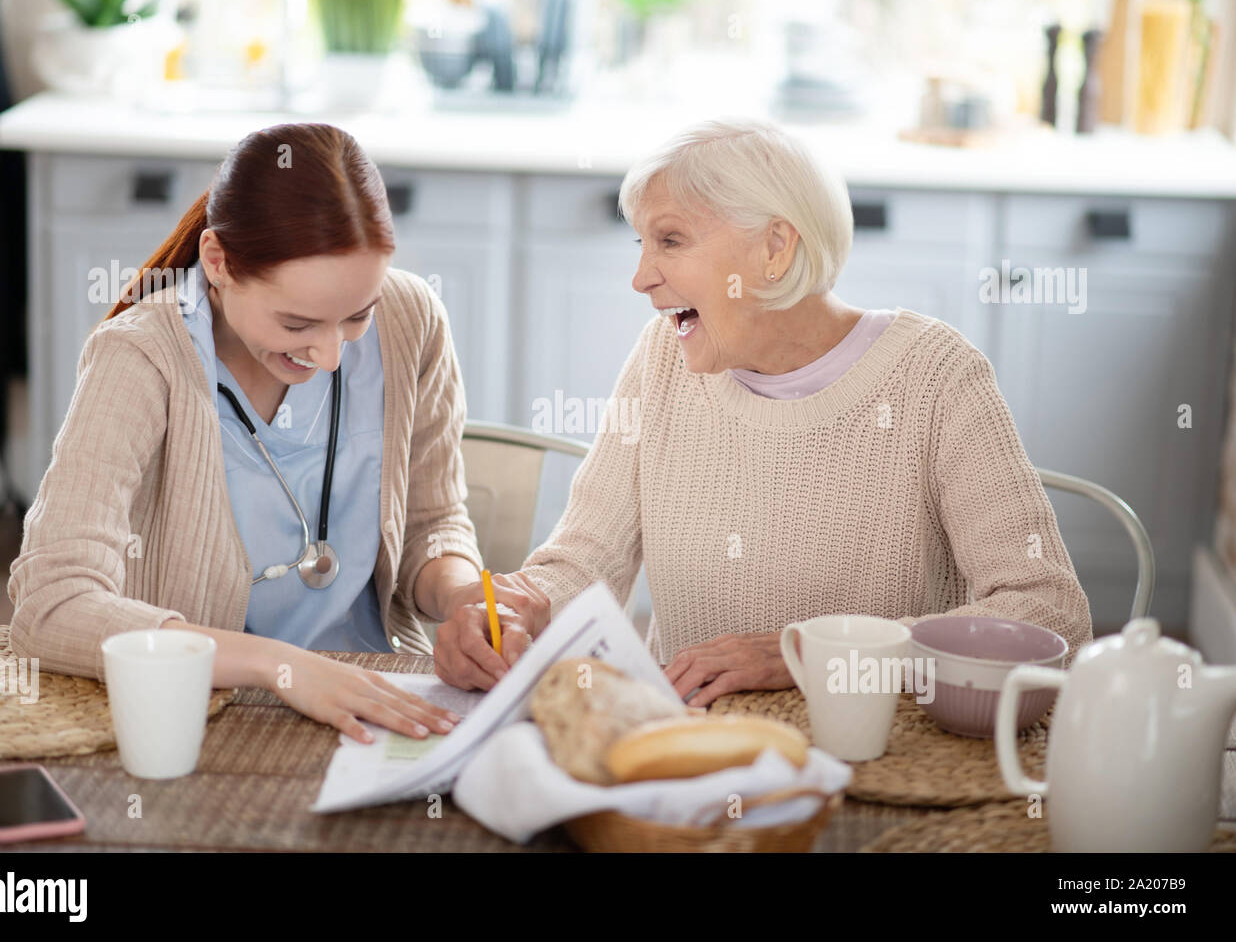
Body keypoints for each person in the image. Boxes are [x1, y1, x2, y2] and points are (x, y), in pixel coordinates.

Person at [432, 117, 1093, 705]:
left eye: (669, 240)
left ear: (774, 249)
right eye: (641, 243)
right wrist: (513, 613)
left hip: (883, 763)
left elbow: (1047, 613)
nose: (641, 277)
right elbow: (584, 560)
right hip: (696, 754)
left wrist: (809, 652)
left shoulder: (936, 377)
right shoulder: (661, 359)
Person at [8, 123, 540, 743]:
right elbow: (51, 606)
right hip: (213, 714)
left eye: (356, 316)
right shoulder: (140, 359)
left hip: (384, 690)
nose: (331, 356)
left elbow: (433, 523)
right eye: (297, 324)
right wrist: (278, 667)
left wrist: (462, 599)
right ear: (218, 263)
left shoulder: (411, 320)